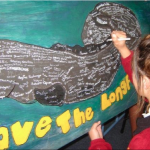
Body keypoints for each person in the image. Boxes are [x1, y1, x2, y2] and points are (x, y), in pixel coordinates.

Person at [88, 31, 150, 149]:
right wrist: (123, 49)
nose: (134, 74)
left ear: (144, 82)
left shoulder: (143, 143)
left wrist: (98, 144)